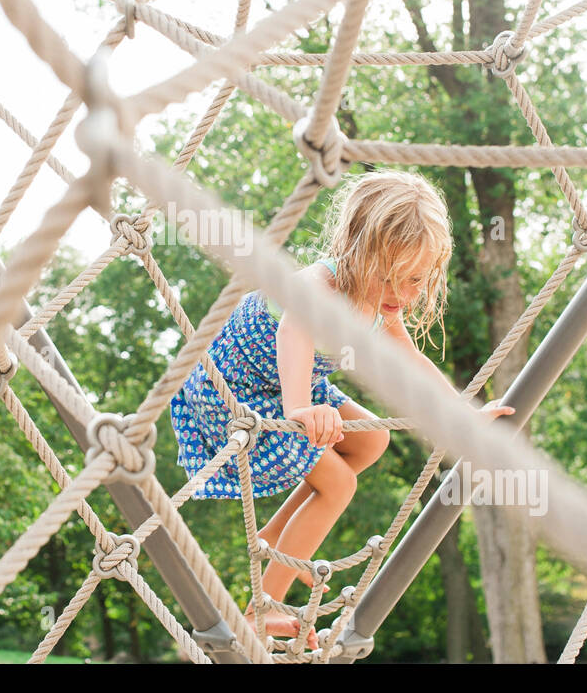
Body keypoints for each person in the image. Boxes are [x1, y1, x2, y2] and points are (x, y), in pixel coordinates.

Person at [169, 169, 515, 648]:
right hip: (237, 390)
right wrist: (301, 408)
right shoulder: (322, 284)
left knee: (373, 438)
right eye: (394, 278)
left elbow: (409, 359)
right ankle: (260, 609)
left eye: (417, 280)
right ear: (360, 251)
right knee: (337, 483)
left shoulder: (384, 305)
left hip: (290, 385)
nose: (406, 295)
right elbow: (294, 329)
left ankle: (276, 533)